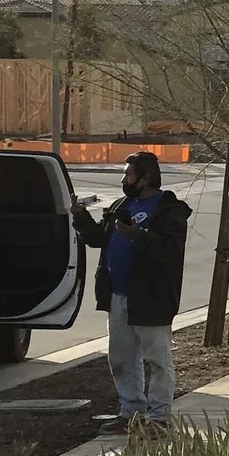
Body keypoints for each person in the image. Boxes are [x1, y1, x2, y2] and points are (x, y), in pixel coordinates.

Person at [74, 150, 189, 428]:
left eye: (128, 174)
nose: (124, 179)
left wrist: (138, 235)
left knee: (157, 360)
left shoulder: (168, 210)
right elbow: (99, 238)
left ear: (144, 178)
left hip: (151, 296)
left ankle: (160, 418)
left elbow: (168, 251)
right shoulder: (121, 204)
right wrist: (80, 217)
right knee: (122, 359)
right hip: (118, 295)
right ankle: (131, 413)